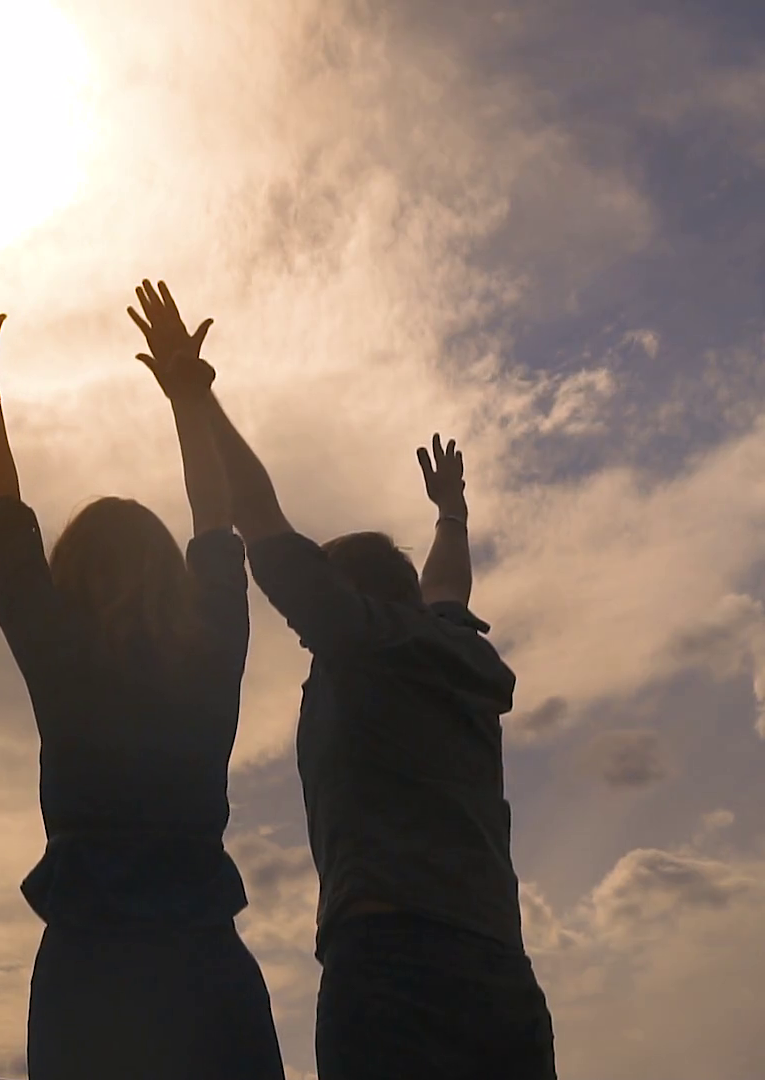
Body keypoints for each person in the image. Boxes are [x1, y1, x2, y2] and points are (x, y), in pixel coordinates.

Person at [183, 287, 556, 1079]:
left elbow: (258, 512)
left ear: (343, 594)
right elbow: (449, 584)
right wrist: (450, 513)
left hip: (394, 970)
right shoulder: (454, 650)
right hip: (500, 968)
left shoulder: (351, 638)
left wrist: (198, 396)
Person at [0, 283, 287, 1078]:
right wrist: (185, 392)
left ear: (68, 576)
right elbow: (214, 521)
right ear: (169, 571)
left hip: (89, 973)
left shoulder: (60, 652)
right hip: (208, 968)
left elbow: (2, 524)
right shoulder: (208, 650)